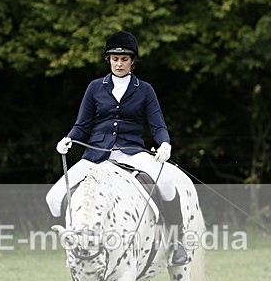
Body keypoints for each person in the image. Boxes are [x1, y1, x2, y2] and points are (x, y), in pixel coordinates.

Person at [47, 30, 189, 265]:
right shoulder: (94, 87)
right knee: (53, 197)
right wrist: (68, 139)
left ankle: (177, 242)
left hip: (132, 152)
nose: (119, 63)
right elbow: (82, 124)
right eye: (115, 59)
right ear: (109, 60)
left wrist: (165, 143)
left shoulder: (145, 90)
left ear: (132, 61)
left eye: (124, 59)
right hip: (96, 154)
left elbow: (158, 125)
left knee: (165, 183)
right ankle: (71, 243)